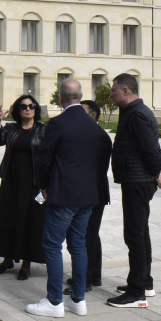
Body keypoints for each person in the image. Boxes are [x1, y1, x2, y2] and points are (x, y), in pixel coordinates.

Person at [26, 79, 112, 318]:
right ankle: (78, 299)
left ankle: (54, 302)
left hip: (63, 196)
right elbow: (104, 158)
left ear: (60, 98)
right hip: (88, 197)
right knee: (78, 245)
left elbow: (44, 158)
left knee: (52, 245)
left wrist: (43, 184)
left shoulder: (58, 124)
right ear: (80, 96)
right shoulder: (96, 128)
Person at [107, 73, 161, 308]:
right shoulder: (135, 111)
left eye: (114, 90)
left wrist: (158, 172)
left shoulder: (136, 114)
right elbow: (154, 146)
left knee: (134, 235)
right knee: (140, 233)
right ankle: (144, 282)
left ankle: (136, 293)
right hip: (137, 179)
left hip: (137, 181)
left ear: (126, 90)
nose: (111, 94)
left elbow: (150, 149)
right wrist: (159, 170)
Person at [0, 94, 46, 281]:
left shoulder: (43, 130)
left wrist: (47, 185)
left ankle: (27, 263)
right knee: (8, 218)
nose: (27, 109)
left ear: (36, 109)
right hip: (11, 181)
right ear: (17, 111)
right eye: (23, 107)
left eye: (31, 106)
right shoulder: (12, 129)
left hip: (34, 183)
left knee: (30, 221)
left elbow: (49, 157)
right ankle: (7, 259)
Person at [65, 100, 111, 295]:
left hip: (92, 193)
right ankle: (93, 275)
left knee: (84, 235)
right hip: (91, 191)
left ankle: (84, 281)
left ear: (92, 115)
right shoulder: (94, 134)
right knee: (90, 234)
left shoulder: (99, 136)